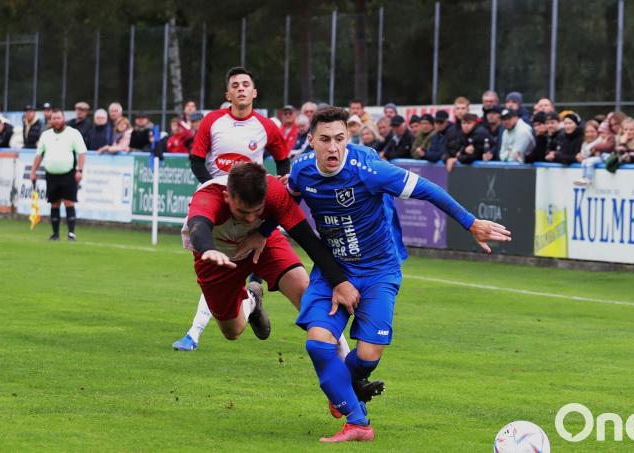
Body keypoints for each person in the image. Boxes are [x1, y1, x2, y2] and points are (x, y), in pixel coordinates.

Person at [285, 106, 511, 442]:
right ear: (311, 140)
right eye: (325, 140)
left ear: (348, 137)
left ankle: (343, 389)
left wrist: (471, 223)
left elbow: (429, 190)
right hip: (333, 269)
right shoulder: (301, 171)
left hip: (378, 270)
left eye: (339, 139)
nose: (333, 148)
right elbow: (284, 200)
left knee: (367, 356)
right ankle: (358, 423)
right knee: (318, 344)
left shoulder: (369, 168)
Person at [181, 163, 361, 375]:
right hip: (217, 259)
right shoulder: (209, 196)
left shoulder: (274, 192)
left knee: (306, 293)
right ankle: (252, 301)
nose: (249, 218)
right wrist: (207, 249)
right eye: (242, 211)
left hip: (263, 245)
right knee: (232, 330)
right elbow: (198, 225)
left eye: (255, 212)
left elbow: (309, 241)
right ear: (227, 196)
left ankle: (350, 374)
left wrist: (340, 283)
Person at [173, 66, 292, 352]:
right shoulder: (212, 121)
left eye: (245, 84)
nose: (240, 88)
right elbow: (197, 160)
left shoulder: (266, 126)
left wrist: (275, 187)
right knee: (214, 266)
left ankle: (195, 332)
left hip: (251, 211)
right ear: (228, 94)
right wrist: (214, 191)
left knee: (230, 263)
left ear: (254, 92)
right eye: (235, 85)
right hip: (220, 207)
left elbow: (283, 160)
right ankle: (249, 300)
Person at [28, 109, 87, 241]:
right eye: (54, 118)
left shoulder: (73, 133)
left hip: (68, 174)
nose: (56, 120)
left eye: (58, 118)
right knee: (54, 204)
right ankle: (55, 234)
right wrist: (33, 171)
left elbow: (81, 153)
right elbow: (39, 155)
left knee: (69, 202)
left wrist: (80, 170)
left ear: (63, 119)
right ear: (50, 120)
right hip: (51, 174)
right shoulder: (46, 135)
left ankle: (71, 233)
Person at [573, 120, 602, 186]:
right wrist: (579, 156)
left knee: (589, 162)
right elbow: (583, 155)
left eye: (592, 131)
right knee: (585, 162)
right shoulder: (584, 144)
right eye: (587, 132)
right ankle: (584, 178)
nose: (589, 134)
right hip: (586, 161)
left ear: (597, 132)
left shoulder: (601, 142)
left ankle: (588, 179)